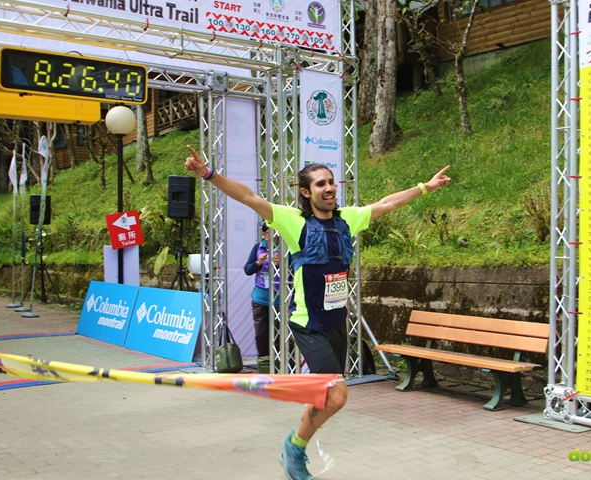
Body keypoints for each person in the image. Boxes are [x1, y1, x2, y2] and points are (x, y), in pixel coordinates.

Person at [184, 145, 451, 480]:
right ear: (306, 192)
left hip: (337, 324)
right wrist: (209, 174)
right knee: (337, 396)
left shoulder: (347, 220)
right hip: (308, 325)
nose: (329, 188)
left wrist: (425, 187)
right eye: (321, 184)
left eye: (331, 183)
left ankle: (294, 446)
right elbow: (249, 197)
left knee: (329, 397)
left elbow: (386, 203)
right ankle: (294, 447)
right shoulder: (293, 221)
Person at [244, 220, 281, 371]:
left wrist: (281, 264)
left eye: (270, 232)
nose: (267, 235)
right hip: (260, 299)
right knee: (261, 334)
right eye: (265, 233)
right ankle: (264, 364)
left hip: (279, 300)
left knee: (278, 334)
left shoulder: (284, 248)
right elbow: (247, 269)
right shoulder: (258, 247)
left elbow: (293, 271)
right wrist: (258, 263)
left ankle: (279, 363)